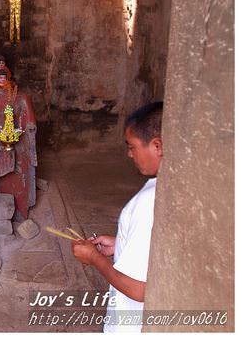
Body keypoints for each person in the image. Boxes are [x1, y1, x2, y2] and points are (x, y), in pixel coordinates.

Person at [71, 102, 163, 333]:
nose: (129, 153)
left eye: (132, 147)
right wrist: (121, 243)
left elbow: (138, 289)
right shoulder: (163, 189)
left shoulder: (149, 202)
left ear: (157, 145)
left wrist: (93, 257)